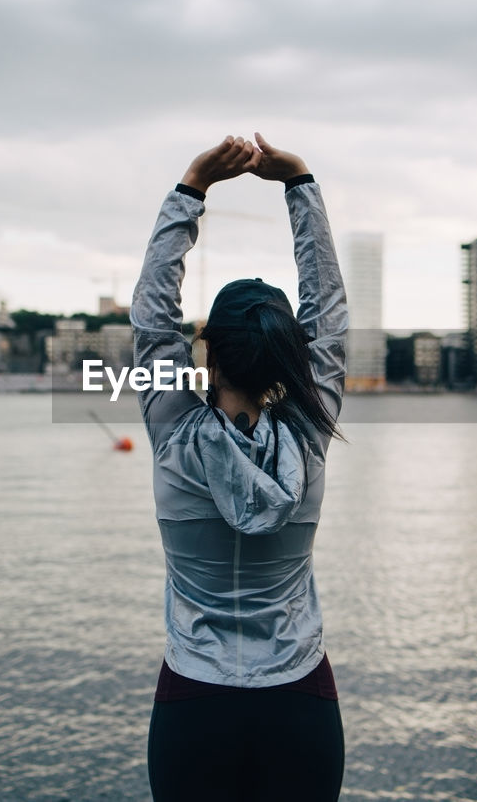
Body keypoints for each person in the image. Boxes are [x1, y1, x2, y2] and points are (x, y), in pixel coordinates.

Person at [130, 133, 349, 801]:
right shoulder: (310, 431)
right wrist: (299, 183)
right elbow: (330, 311)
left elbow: (150, 312)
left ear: (208, 355)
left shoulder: (174, 431)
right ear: (288, 357)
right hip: (299, 701)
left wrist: (192, 185)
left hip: (195, 704)